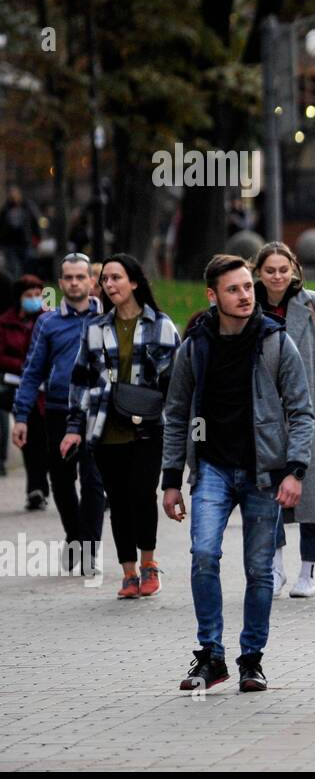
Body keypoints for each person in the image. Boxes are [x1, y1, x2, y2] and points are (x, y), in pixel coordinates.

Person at [162, 254, 314, 693]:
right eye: (234, 289)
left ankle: (251, 660)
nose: (246, 295)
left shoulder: (275, 342)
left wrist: (295, 471)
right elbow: (175, 415)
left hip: (264, 474)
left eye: (248, 287)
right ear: (213, 295)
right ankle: (211, 656)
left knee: (259, 570)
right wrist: (172, 479)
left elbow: (302, 411)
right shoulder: (196, 346)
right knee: (204, 555)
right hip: (211, 468)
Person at [64, 255, 180, 598]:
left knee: (142, 493)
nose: (109, 285)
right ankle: (128, 572)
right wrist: (74, 426)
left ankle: (148, 564)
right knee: (116, 498)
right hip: (104, 428)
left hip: (147, 428)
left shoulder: (161, 325)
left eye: (116, 278)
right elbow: (80, 380)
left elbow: (174, 382)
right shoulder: (96, 328)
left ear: (134, 282)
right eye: (105, 280)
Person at [255, 242, 315, 598]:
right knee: (270, 492)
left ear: (295, 270)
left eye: (284, 269)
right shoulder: (248, 307)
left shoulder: (314, 304)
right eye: (270, 270)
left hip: (311, 413)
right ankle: (276, 566)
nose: (278, 276)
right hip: (265, 415)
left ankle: (308, 572)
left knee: (312, 494)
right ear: (258, 273)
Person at [11, 253, 106, 576]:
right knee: (62, 480)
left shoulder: (105, 317)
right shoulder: (47, 322)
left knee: (94, 479)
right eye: (69, 277)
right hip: (57, 410)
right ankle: (73, 535)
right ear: (61, 282)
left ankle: (89, 549)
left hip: (95, 411)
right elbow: (32, 370)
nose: (75, 282)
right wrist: (21, 415)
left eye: (81, 277)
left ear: (91, 282)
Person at [0, 275, 50, 509]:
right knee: (30, 439)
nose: (33, 300)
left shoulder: (48, 321)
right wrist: (22, 365)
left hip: (46, 390)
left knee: (44, 439)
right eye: (28, 296)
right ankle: (35, 488)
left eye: (37, 295)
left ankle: (42, 485)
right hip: (19, 387)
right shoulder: (5, 323)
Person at [1, 186, 41, 277]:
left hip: (25, 242)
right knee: (14, 268)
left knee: (26, 267)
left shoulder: (27, 206)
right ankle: (16, 286)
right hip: (10, 243)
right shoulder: (6, 209)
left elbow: (35, 222)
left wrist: (38, 238)